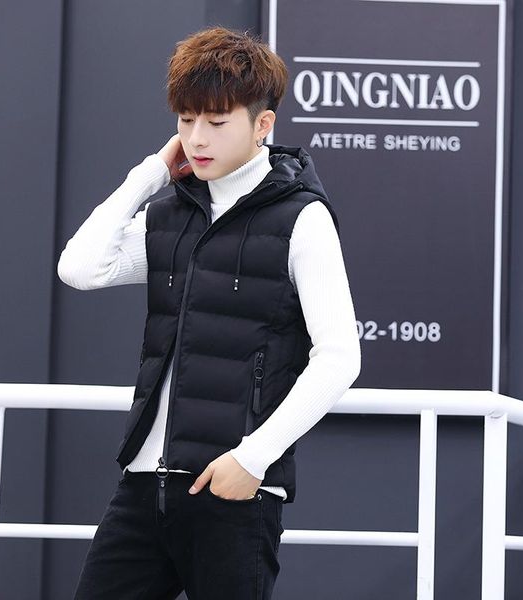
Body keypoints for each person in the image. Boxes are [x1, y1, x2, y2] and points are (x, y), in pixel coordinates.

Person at [57, 25, 361, 600]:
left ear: (262, 124)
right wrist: (150, 173)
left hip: (234, 490)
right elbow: (80, 268)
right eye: (185, 120)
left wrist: (253, 460)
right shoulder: (170, 214)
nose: (197, 138)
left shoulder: (301, 218)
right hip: (144, 485)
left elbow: (341, 356)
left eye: (217, 123)